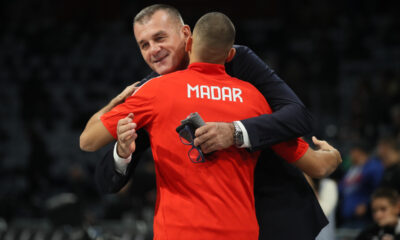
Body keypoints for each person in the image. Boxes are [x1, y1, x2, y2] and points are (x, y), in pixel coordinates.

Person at [80, 4, 338, 239]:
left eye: (160, 38)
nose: (153, 50)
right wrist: (121, 151)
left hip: (272, 213)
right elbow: (106, 178)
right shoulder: (152, 91)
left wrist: (235, 132)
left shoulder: (237, 61)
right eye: (144, 44)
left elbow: (297, 116)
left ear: (186, 34)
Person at [339, 141, 384, 228]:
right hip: (347, 214)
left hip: (364, 216)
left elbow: (379, 189)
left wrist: (367, 204)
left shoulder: (374, 166)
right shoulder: (352, 168)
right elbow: (342, 187)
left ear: (358, 152)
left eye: (352, 152)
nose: (350, 155)